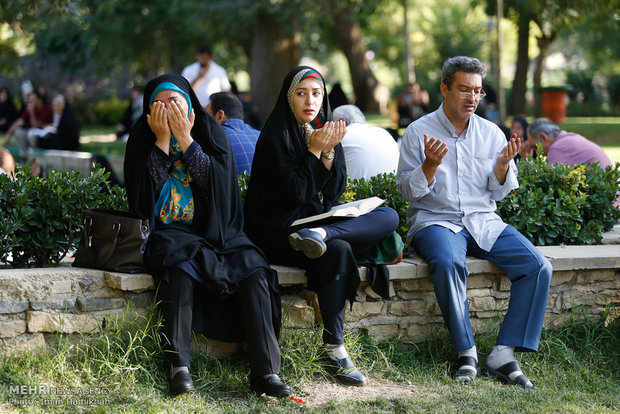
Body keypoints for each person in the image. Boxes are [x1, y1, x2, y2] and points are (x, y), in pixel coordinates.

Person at [124, 74, 290, 398]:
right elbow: (144, 203)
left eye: (175, 101)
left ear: (189, 105)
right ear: (148, 110)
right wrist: (161, 141)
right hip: (171, 233)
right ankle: (179, 367)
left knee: (254, 267)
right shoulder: (142, 140)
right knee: (177, 263)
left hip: (219, 234)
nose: (167, 108)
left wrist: (186, 141)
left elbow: (220, 189)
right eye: (159, 102)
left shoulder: (211, 133)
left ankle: (266, 371)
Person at [396, 56, 552, 388]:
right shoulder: (417, 132)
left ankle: (503, 354)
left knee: (538, 266)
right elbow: (409, 192)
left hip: (482, 220)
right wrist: (429, 166)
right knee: (449, 263)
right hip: (436, 220)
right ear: (444, 89)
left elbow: (497, 191)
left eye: (477, 91)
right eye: (464, 89)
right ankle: (466, 352)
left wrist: (500, 170)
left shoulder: (491, 132)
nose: (472, 98)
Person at [244, 66, 402, 387]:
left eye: (316, 94)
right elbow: (298, 192)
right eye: (301, 93)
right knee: (340, 250)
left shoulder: (323, 129)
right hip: (278, 231)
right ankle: (337, 349)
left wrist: (328, 150)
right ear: (290, 98)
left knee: (389, 217)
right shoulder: (276, 135)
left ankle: (333, 347)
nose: (310, 101)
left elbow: (333, 191)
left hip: (315, 227)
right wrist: (315, 151)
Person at [332, 104, 400, 180]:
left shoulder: (342, 136)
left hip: (360, 190)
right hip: (394, 188)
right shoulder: (383, 132)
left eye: (333, 122)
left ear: (342, 121)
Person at [525, 118, 612, 168]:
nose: (536, 152)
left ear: (543, 138)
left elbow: (547, 183)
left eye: (535, 147)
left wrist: (528, 162)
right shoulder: (569, 138)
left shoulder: (557, 148)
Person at [206, 92, 259, 175]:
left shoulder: (215, 139)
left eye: (207, 116)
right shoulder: (260, 135)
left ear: (220, 116)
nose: (205, 122)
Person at [3, 92, 53, 156]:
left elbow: (35, 126)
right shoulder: (30, 108)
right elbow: (19, 122)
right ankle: (24, 155)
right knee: (18, 132)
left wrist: (31, 113)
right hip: (30, 135)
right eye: (29, 101)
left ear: (39, 100)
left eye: (32, 100)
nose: (30, 103)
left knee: (31, 133)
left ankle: (35, 156)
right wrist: (9, 134)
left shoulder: (46, 109)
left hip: (43, 138)